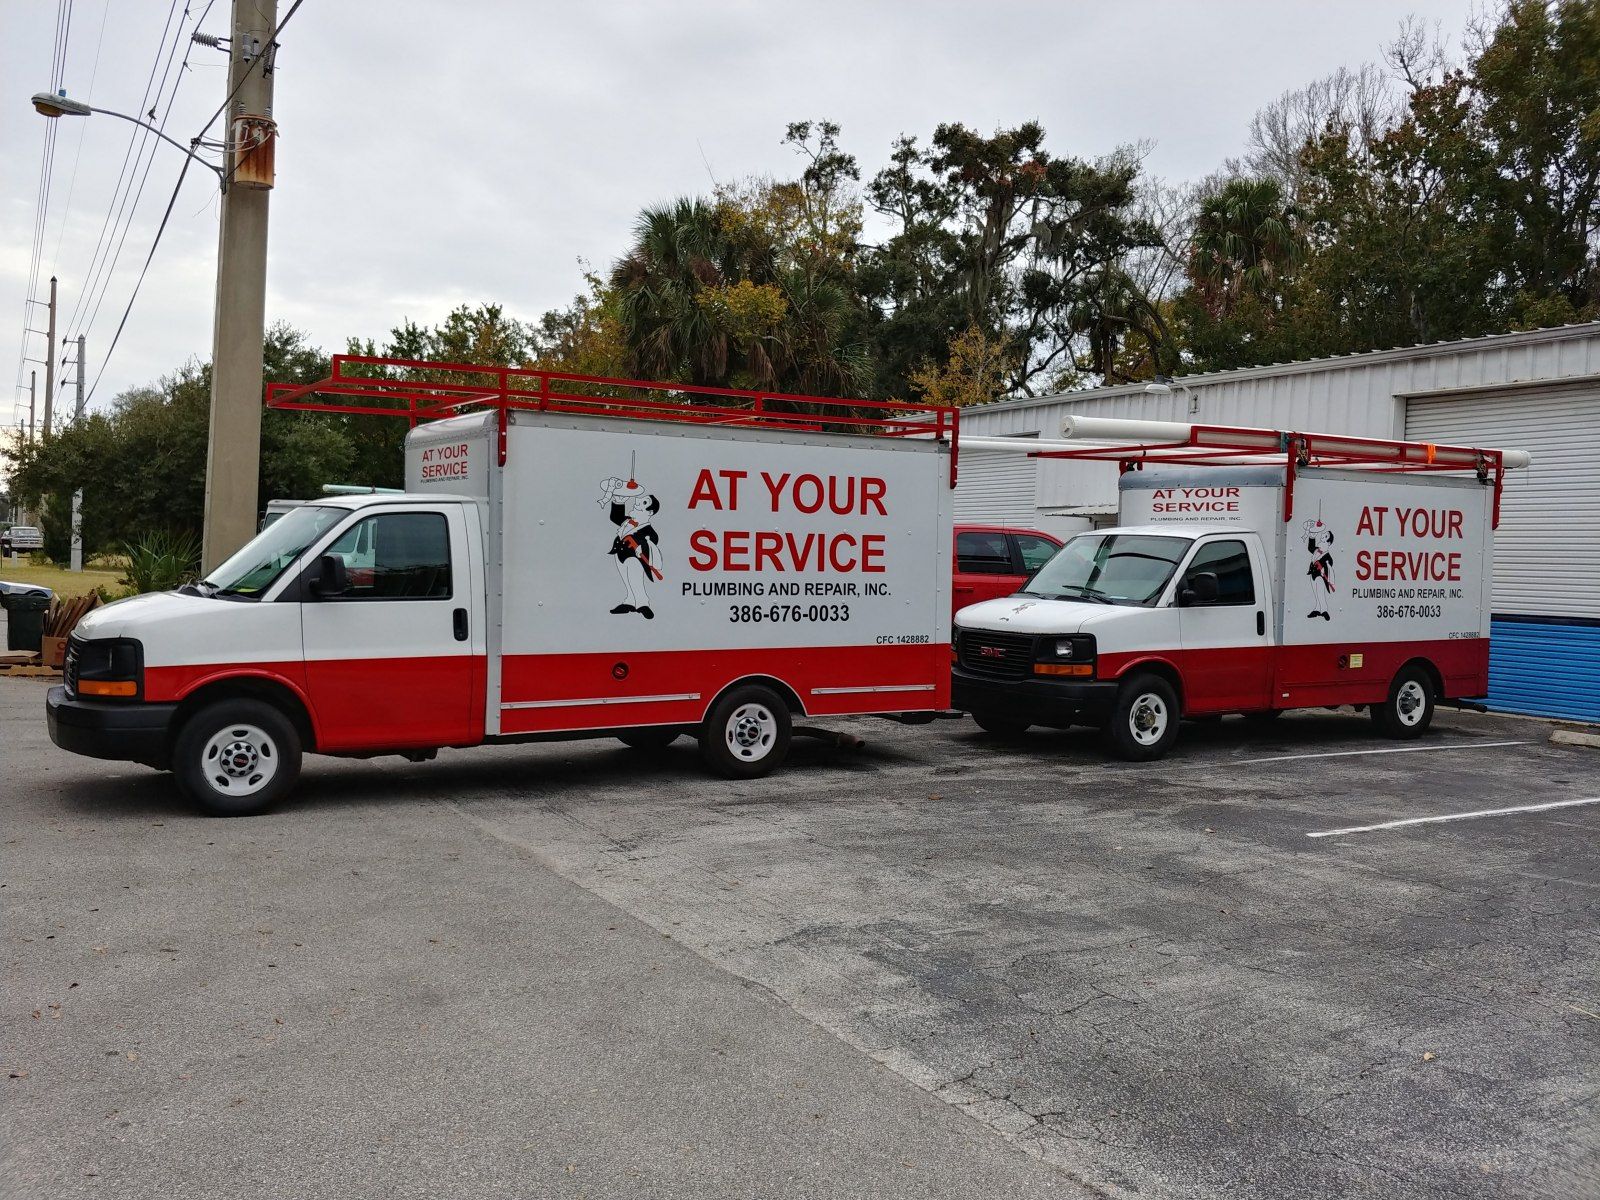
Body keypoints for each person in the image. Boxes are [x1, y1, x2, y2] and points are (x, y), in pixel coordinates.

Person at [600, 476, 665, 619]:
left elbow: (653, 540)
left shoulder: (648, 530)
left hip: (634, 558)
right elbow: (615, 517)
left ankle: (643, 604)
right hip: (619, 554)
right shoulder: (629, 520)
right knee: (626, 579)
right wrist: (619, 500)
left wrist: (642, 546)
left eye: (643, 502)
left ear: (650, 512)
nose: (637, 502)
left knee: (635, 579)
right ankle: (630, 601)